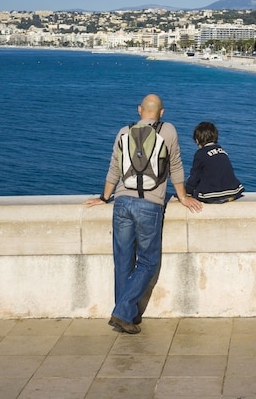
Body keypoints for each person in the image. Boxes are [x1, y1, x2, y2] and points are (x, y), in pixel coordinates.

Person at [84, 94, 202, 334]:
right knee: (148, 261)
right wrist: (182, 197)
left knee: (123, 260)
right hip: (150, 205)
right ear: (161, 112)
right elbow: (176, 166)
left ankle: (125, 314)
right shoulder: (167, 130)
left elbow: (113, 170)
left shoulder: (123, 133)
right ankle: (122, 312)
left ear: (139, 110)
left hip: (121, 203)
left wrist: (104, 197)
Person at [186, 121, 244, 204]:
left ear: (197, 140)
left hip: (211, 194)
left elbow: (194, 176)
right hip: (233, 191)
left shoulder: (200, 154)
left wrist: (187, 193)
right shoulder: (222, 151)